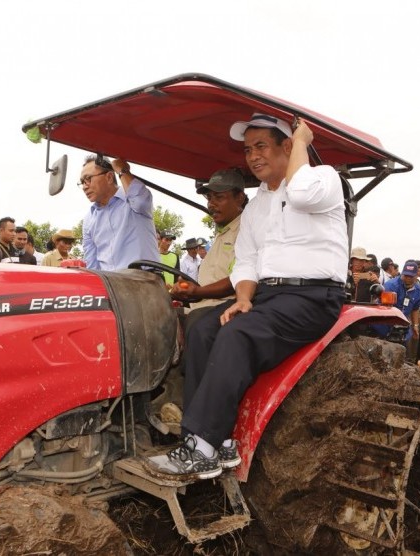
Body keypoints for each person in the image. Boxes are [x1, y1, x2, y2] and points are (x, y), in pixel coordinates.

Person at [148, 113, 347, 479]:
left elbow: (301, 193)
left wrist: (303, 141)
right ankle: (212, 440)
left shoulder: (323, 179)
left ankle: (201, 446)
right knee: (203, 327)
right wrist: (242, 298)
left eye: (261, 147)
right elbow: (248, 260)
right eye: (247, 149)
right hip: (268, 295)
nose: (253, 156)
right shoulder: (257, 206)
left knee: (237, 334)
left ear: (286, 146)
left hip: (313, 296)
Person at [170, 168, 247, 327]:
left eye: (219, 197)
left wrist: (196, 292)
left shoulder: (246, 231)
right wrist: (184, 291)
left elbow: (237, 280)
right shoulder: (223, 233)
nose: (211, 204)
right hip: (203, 306)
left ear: (239, 198)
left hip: (224, 309)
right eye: (209, 198)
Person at [80, 156, 159, 270]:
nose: (84, 186)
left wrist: (122, 171)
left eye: (88, 179)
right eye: (82, 182)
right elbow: (92, 265)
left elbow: (141, 202)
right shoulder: (89, 219)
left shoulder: (132, 200)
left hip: (143, 280)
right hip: (111, 284)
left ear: (109, 177)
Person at [371, 261, 420, 344]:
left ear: (417, 276)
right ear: (402, 274)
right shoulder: (390, 286)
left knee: (400, 352)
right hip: (384, 326)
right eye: (406, 275)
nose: (408, 278)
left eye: (411, 276)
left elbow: (415, 309)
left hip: (401, 330)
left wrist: (415, 326)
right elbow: (382, 307)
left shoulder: (418, 291)